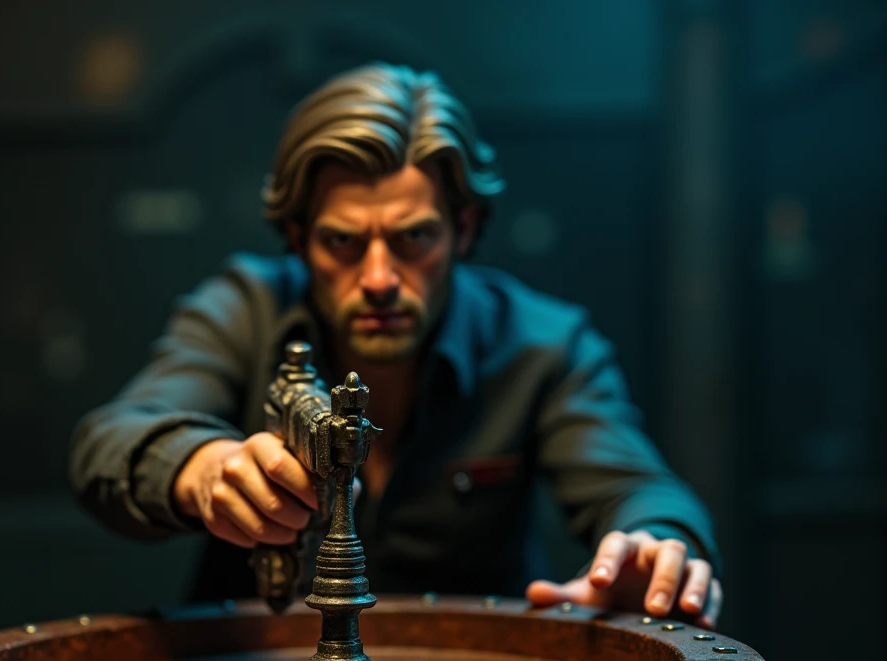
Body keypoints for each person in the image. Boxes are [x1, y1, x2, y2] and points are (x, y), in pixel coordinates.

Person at [70, 63, 723, 628]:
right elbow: (108, 443)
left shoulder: (544, 345)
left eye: (414, 239)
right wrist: (203, 469)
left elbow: (639, 490)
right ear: (297, 239)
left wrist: (659, 550)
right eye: (342, 243)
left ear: (464, 228)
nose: (379, 279)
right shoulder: (247, 308)